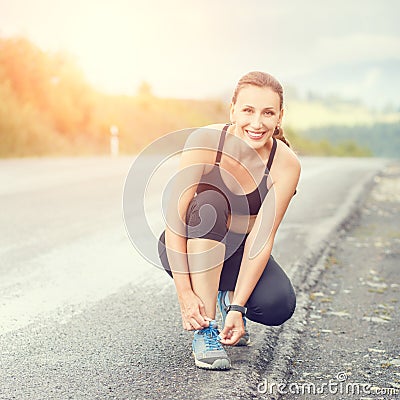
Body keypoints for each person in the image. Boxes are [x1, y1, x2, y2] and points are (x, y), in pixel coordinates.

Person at [158, 71, 300, 370]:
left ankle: (227, 299)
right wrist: (185, 293)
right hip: (187, 248)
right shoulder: (205, 142)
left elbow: (261, 240)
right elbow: (174, 220)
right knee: (211, 202)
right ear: (233, 109)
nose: (257, 123)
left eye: (267, 113)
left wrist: (238, 308)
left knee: (278, 305)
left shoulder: (285, 164)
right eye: (248, 110)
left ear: (279, 116)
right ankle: (205, 330)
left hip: (238, 253)